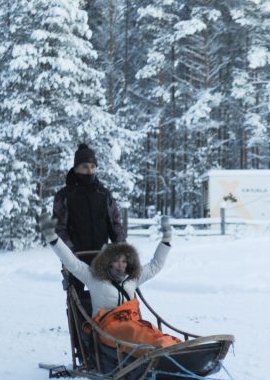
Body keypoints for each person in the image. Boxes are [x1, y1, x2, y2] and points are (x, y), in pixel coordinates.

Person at [39, 211, 179, 351]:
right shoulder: (94, 278)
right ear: (108, 262)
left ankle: (172, 347)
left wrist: (166, 239)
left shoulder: (131, 279)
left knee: (150, 330)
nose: (121, 265)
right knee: (138, 331)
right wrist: (53, 238)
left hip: (133, 326)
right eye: (116, 261)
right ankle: (162, 350)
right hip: (107, 330)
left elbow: (155, 265)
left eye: (124, 261)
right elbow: (72, 262)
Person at [51, 143, 126, 261]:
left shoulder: (104, 195)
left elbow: (115, 224)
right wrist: (70, 252)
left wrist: (121, 249)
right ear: (76, 169)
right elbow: (59, 228)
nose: (90, 170)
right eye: (85, 167)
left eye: (93, 166)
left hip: (102, 261)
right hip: (74, 260)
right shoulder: (64, 196)